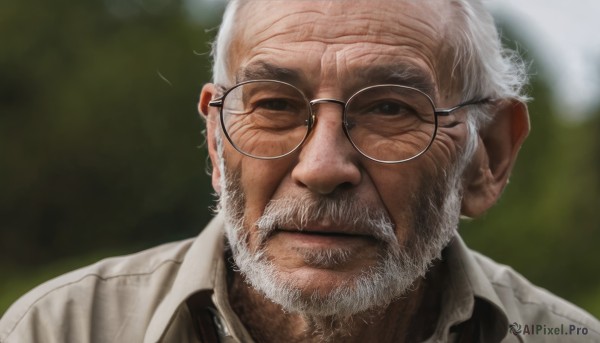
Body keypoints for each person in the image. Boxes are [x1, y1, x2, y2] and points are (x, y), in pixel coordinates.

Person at [1, 0, 599, 342]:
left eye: (389, 108)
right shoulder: (59, 331)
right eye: (276, 106)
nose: (322, 168)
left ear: (487, 156)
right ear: (216, 141)